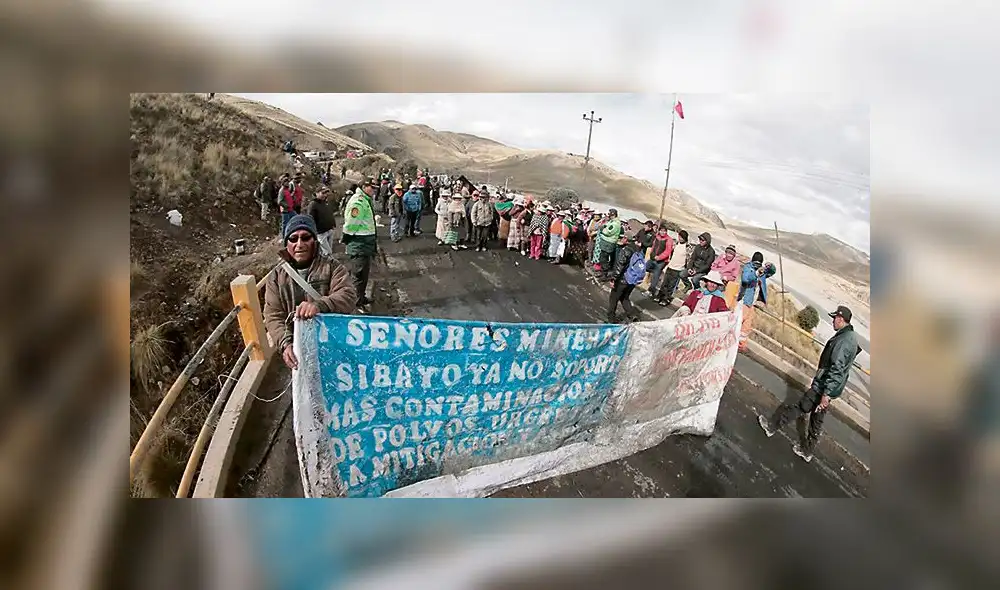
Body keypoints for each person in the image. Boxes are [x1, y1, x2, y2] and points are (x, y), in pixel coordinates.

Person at [759, 305, 861, 463]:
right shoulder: (851, 337)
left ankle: (771, 427)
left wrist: (825, 394)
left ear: (841, 319)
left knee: (800, 407)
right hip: (830, 388)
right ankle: (807, 451)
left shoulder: (843, 341)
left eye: (834, 318)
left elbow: (836, 368)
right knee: (816, 420)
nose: (832, 321)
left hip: (823, 387)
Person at [263, 215, 356, 370]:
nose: (299, 244)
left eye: (305, 238)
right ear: (287, 244)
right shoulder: (276, 276)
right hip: (298, 351)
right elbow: (273, 314)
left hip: (332, 347)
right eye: (293, 239)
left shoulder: (332, 267)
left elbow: (348, 295)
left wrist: (320, 305)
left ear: (314, 241)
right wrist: (286, 343)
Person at [341, 180, 378, 308]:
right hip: (359, 243)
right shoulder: (358, 202)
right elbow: (351, 224)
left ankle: (361, 297)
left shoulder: (365, 200)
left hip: (364, 244)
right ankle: (355, 303)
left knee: (363, 274)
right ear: (363, 187)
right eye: (371, 187)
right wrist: (346, 238)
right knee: (358, 275)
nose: (374, 190)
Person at [737, 253, 775, 351]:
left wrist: (770, 266)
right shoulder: (748, 268)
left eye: (759, 263)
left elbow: (771, 272)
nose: (757, 265)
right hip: (745, 300)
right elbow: (745, 279)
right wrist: (756, 273)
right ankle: (730, 339)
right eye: (756, 263)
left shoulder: (761, 271)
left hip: (752, 303)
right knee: (738, 321)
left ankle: (741, 344)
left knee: (746, 326)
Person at [607, 231, 646, 323]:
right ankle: (632, 315)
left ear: (625, 239)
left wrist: (613, 279)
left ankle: (611, 319)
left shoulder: (626, 250)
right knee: (624, 298)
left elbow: (619, 267)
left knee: (613, 298)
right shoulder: (638, 249)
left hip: (623, 280)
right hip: (632, 280)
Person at [655, 229, 688, 306]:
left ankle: (666, 298)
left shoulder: (687, 247)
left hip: (678, 269)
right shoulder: (676, 244)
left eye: (681, 237)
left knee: (671, 285)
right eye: (679, 236)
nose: (680, 238)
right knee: (665, 283)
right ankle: (660, 295)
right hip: (671, 266)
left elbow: (688, 259)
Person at [645, 223, 674, 298]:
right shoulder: (657, 237)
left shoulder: (669, 240)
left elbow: (668, 251)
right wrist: (652, 254)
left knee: (655, 276)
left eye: (664, 231)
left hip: (661, 261)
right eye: (661, 231)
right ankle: (657, 273)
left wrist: (659, 257)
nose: (662, 232)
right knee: (646, 267)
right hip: (653, 258)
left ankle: (651, 291)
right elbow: (654, 246)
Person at [306, 186, 337, 256]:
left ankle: (327, 265)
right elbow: (310, 219)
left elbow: (330, 214)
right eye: (323, 193)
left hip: (330, 229)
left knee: (328, 251)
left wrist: (333, 224)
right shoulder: (313, 204)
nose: (325, 195)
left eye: (326, 193)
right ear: (317, 193)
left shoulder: (325, 202)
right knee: (328, 252)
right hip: (321, 232)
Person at [711, 245, 742, 309]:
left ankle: (714, 304)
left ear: (734, 255)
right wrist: (716, 272)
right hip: (715, 276)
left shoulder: (736, 263)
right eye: (727, 253)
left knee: (716, 291)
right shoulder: (721, 257)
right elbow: (713, 266)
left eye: (731, 254)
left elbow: (733, 277)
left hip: (724, 282)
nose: (729, 255)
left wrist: (725, 277)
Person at [594, 209, 622, 279]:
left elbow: (608, 232)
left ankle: (604, 274)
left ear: (613, 215)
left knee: (604, 259)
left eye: (609, 215)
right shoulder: (611, 221)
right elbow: (605, 225)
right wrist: (603, 226)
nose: (608, 216)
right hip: (605, 242)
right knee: (602, 258)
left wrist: (601, 229)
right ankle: (602, 272)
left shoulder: (615, 224)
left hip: (608, 243)